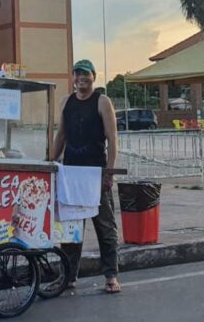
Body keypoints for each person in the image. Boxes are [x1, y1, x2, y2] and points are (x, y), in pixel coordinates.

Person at [48, 59, 121, 294]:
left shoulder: (102, 102)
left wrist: (108, 173)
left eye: (85, 74)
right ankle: (67, 277)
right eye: (77, 74)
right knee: (70, 230)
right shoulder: (65, 102)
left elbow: (112, 139)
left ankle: (111, 276)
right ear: (73, 78)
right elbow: (61, 136)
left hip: (95, 176)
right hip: (70, 176)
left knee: (105, 228)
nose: (81, 78)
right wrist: (48, 163)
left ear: (94, 77)